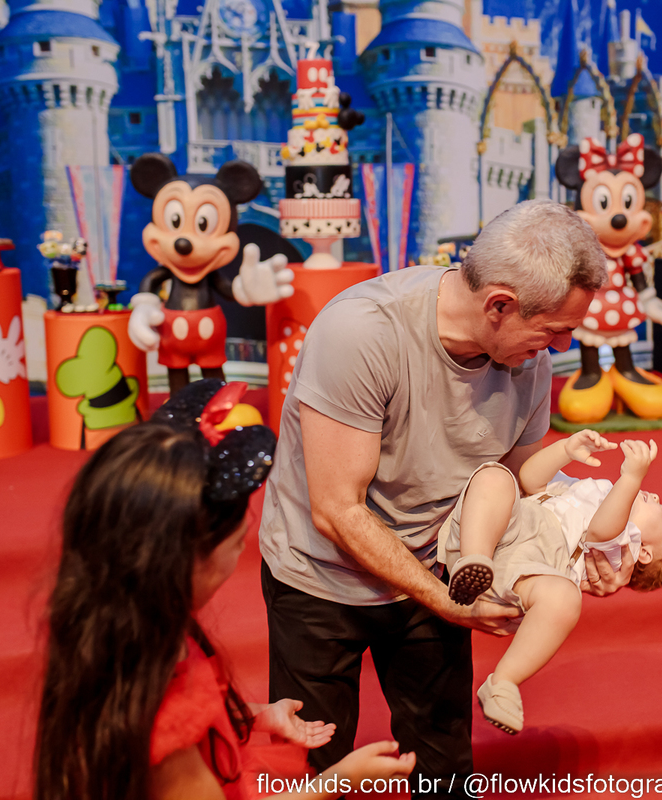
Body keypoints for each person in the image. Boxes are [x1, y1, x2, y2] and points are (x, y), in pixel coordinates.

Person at [259, 199, 629, 795]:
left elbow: (512, 483)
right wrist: (444, 600)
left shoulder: (527, 356)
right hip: (319, 576)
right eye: (554, 330)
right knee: (312, 771)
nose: (561, 346)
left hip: (439, 564)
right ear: (499, 305)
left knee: (445, 768)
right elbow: (336, 509)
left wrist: (583, 545)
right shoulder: (363, 331)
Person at [34, 380, 415, 800]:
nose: (240, 550)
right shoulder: (164, 722)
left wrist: (256, 717)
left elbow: (200, 718)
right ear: (182, 563)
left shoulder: (125, 635)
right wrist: (339, 779)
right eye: (236, 542)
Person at [442, 431, 662, 734]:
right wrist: (565, 449)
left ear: (645, 553)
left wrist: (632, 477)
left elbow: (601, 532)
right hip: (505, 524)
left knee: (566, 598)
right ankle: (473, 561)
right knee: (496, 477)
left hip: (532, 567)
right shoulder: (596, 490)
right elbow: (530, 479)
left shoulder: (626, 546)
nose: (658, 498)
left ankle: (503, 682)